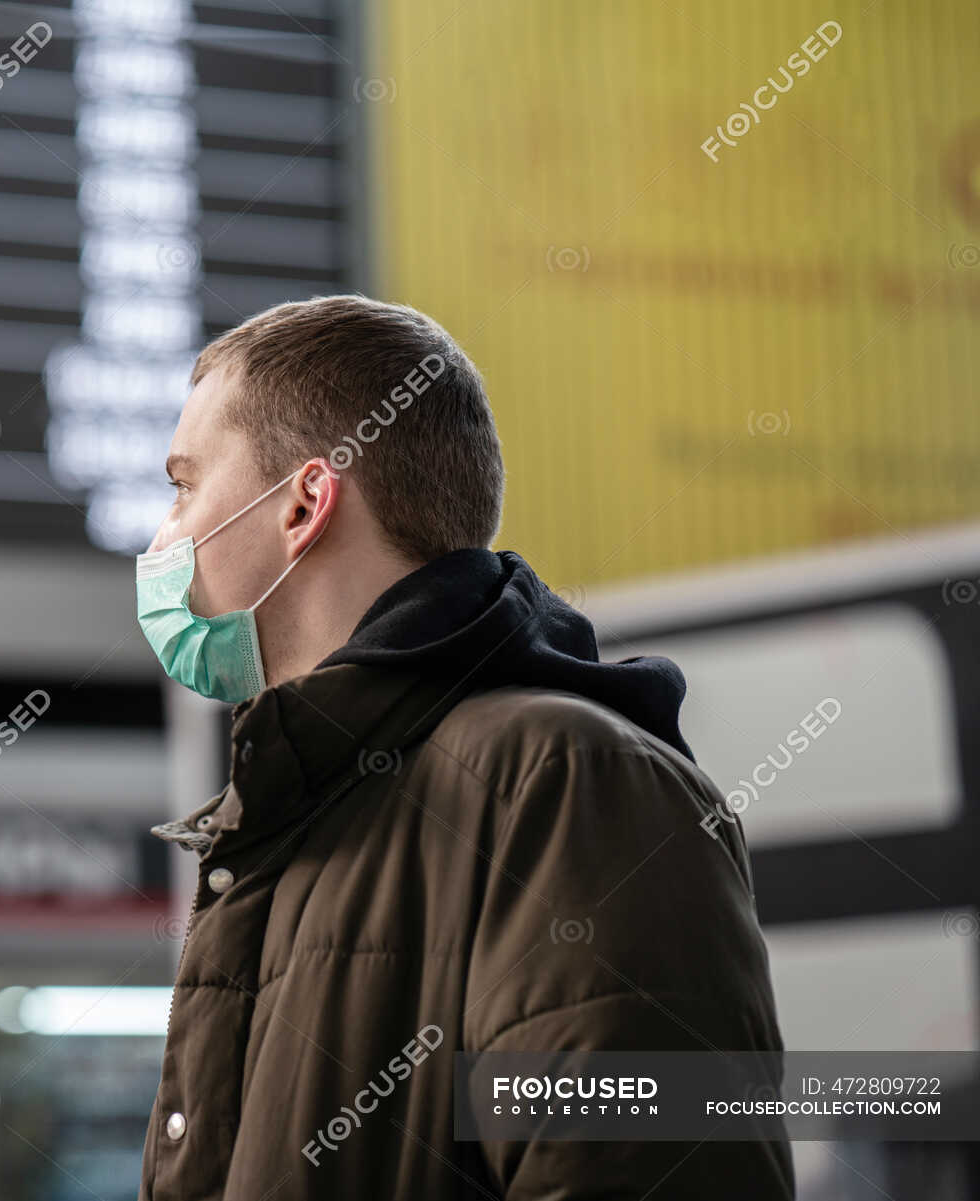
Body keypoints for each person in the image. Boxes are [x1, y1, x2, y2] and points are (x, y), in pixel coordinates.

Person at [132, 294, 793, 1200]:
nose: (164, 535)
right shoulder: (293, 815)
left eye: (183, 484)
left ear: (305, 504)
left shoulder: (568, 781)